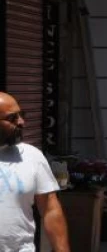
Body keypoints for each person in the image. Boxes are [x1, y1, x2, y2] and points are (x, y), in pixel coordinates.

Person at [0, 92, 69, 252]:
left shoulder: (31, 156)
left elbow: (50, 208)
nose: (22, 122)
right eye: (12, 118)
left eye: (21, 115)